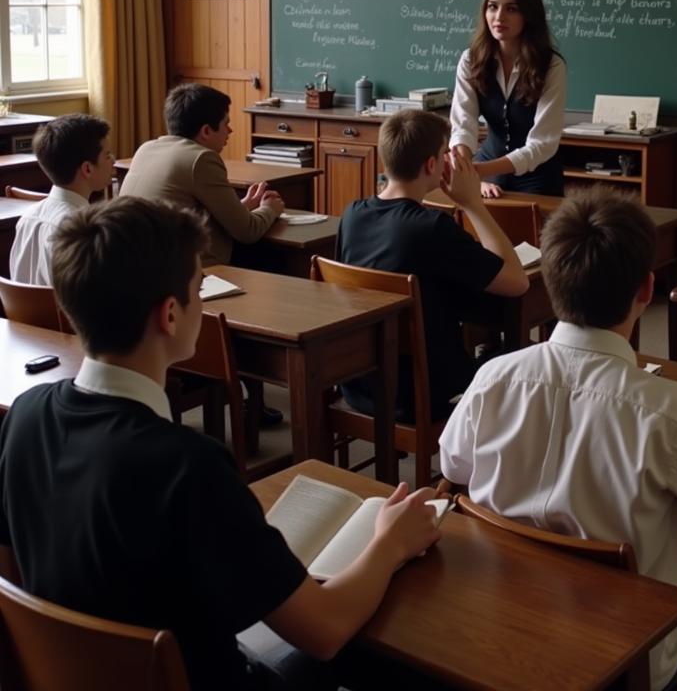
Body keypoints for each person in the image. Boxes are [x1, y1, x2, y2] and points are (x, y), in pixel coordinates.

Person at [0, 197, 441, 691]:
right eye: (198, 288)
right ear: (170, 314)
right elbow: (325, 631)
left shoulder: (24, 417)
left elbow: (14, 579)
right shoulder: (189, 467)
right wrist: (390, 542)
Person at [440, 188, 677, 689]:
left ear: (551, 281)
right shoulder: (671, 413)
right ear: (646, 290)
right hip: (620, 659)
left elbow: (453, 469)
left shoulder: (493, 377)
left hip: (499, 623)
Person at [336, 109, 528, 421]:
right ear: (431, 166)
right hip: (420, 389)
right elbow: (517, 282)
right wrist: (472, 204)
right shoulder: (431, 227)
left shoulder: (352, 214)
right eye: (444, 155)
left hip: (360, 380)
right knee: (522, 358)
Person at [121, 83, 284, 266]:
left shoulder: (146, 149)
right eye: (226, 124)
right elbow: (248, 232)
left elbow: (189, 209)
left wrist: (243, 207)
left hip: (137, 263)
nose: (230, 131)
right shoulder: (201, 159)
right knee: (273, 255)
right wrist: (270, 208)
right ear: (206, 131)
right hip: (181, 272)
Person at [450, 0, 566, 197]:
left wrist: (477, 171)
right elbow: (463, 123)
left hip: (537, 178)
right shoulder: (471, 59)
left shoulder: (551, 66)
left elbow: (542, 144)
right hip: (485, 169)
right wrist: (466, 169)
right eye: (492, 7)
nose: (499, 17)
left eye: (511, 9)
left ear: (529, 15)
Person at [9, 113, 115, 285]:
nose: (113, 161)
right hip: (59, 312)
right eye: (108, 155)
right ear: (87, 169)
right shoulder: (81, 230)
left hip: (23, 312)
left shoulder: (26, 218)